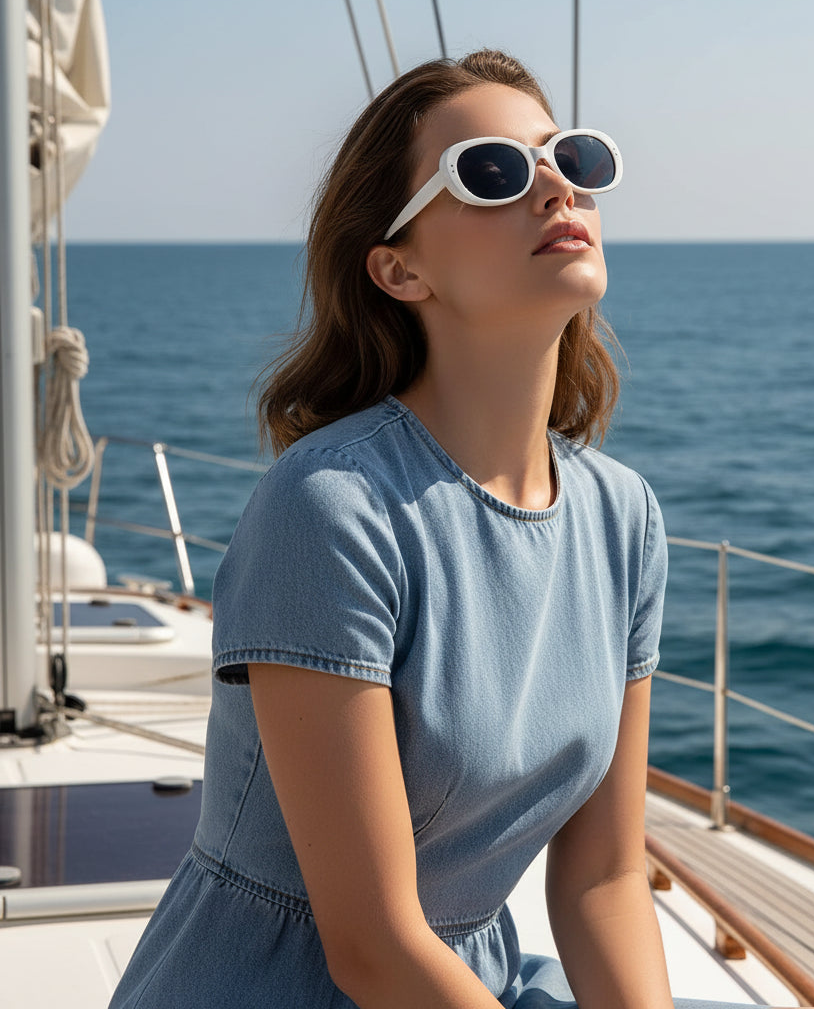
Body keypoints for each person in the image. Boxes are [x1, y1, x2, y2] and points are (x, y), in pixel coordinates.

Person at [110, 50, 754, 1009]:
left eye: (570, 157)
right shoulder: (331, 507)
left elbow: (604, 880)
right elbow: (370, 947)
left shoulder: (623, 518)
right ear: (399, 268)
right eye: (490, 172)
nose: (552, 186)